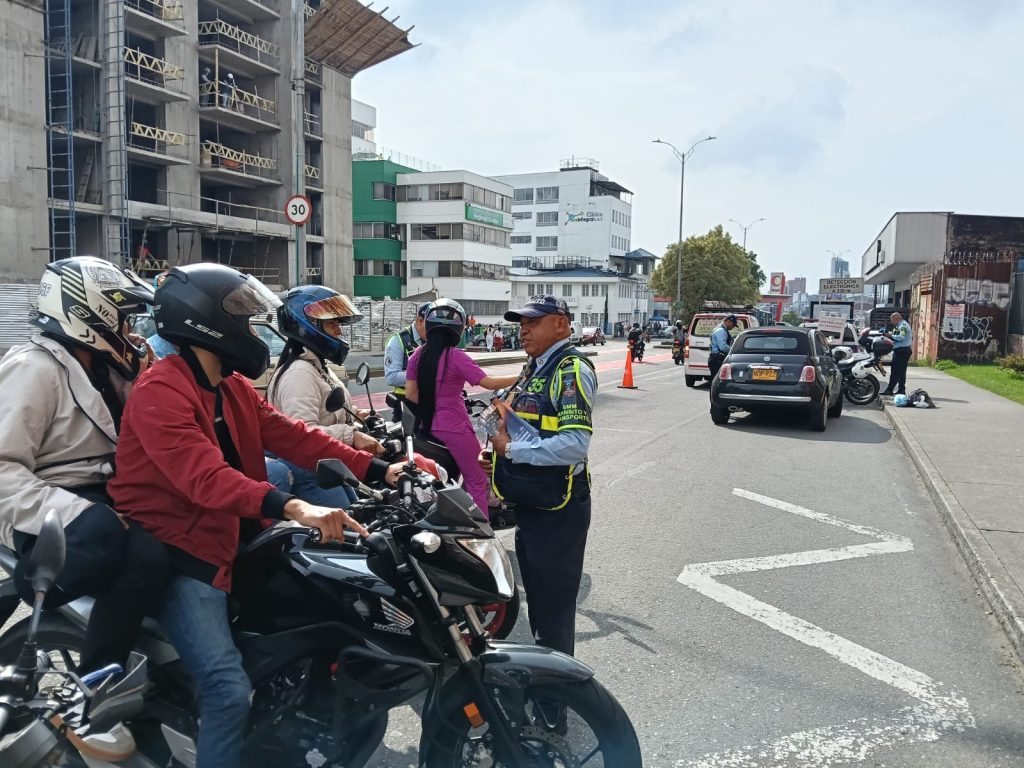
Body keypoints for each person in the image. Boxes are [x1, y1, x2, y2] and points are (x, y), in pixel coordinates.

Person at [108, 263, 406, 768]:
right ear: (205, 322)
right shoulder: (160, 390)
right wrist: (291, 504)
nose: (251, 332)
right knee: (227, 692)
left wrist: (380, 469)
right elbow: (203, 477)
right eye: (243, 321)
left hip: (238, 536)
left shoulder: (230, 387)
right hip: (185, 552)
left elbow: (294, 435)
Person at [0, 256, 169, 753]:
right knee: (144, 556)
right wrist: (84, 513)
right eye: (123, 319)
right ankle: (95, 698)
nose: (131, 332)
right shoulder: (33, 367)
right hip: (50, 504)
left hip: (105, 493)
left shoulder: (100, 367)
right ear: (88, 313)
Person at [482, 295, 597, 693]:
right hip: (533, 504)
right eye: (521, 323)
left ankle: (555, 703)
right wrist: (497, 457)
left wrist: (511, 451)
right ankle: (546, 689)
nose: (523, 330)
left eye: (533, 322)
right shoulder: (535, 367)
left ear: (561, 324)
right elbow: (525, 426)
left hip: (558, 513)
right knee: (540, 610)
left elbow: (574, 445)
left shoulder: (570, 370)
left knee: (553, 617)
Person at [267, 286, 383, 508]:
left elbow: (325, 406)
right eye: (332, 324)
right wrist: (351, 435)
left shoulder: (317, 366)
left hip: (329, 466)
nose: (339, 331)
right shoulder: (299, 373)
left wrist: (356, 415)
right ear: (308, 325)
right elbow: (302, 435)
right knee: (346, 526)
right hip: (310, 473)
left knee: (364, 512)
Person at [405, 300, 517, 515]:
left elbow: (411, 394)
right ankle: (481, 529)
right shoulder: (456, 356)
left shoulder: (417, 355)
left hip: (425, 426)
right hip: (455, 427)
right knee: (478, 479)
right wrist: (524, 375)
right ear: (460, 328)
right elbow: (488, 383)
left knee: (440, 481)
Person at [383, 302, 429, 422]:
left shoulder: (433, 340)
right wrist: (423, 374)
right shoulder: (398, 341)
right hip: (406, 405)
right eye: (432, 327)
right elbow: (391, 377)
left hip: (430, 403)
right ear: (420, 321)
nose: (435, 333)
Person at [882, 311, 913, 396]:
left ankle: (890, 389)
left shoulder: (903, 326)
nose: (891, 322)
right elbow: (895, 336)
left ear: (896, 319)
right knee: (901, 372)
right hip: (900, 351)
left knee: (895, 371)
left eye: (892, 320)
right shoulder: (898, 326)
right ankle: (901, 389)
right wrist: (888, 334)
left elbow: (900, 337)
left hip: (902, 351)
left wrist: (890, 336)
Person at [708, 314, 737, 383]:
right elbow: (723, 347)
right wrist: (733, 350)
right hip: (717, 359)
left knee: (717, 381)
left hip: (717, 358)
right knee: (718, 382)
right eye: (733, 325)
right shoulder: (721, 330)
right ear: (728, 321)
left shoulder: (720, 329)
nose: (733, 327)